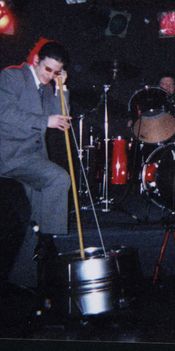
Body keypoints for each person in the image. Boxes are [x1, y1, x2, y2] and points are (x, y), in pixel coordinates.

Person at [0, 39, 72, 289]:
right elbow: (4, 113)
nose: (50, 75)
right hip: (9, 156)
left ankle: (25, 279)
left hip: (32, 160)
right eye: (47, 69)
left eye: (56, 72)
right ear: (36, 61)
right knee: (59, 178)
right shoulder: (12, 77)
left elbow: (60, 118)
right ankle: (47, 241)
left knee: (33, 217)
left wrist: (61, 89)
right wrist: (45, 121)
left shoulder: (48, 86)